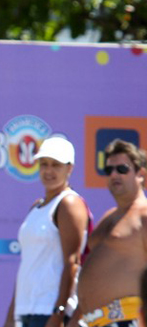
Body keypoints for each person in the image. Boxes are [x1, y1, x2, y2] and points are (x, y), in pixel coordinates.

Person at [3, 137, 90, 327]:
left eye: (55, 165)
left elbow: (73, 262)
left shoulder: (69, 203)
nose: (48, 171)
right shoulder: (36, 206)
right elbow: (28, 264)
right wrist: (12, 314)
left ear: (70, 168)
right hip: (26, 311)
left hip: (49, 313)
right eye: (44, 164)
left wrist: (58, 313)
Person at [68, 139, 147, 327]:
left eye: (122, 169)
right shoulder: (107, 217)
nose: (114, 174)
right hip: (92, 321)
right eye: (108, 170)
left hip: (128, 320)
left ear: (141, 174)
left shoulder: (144, 215)